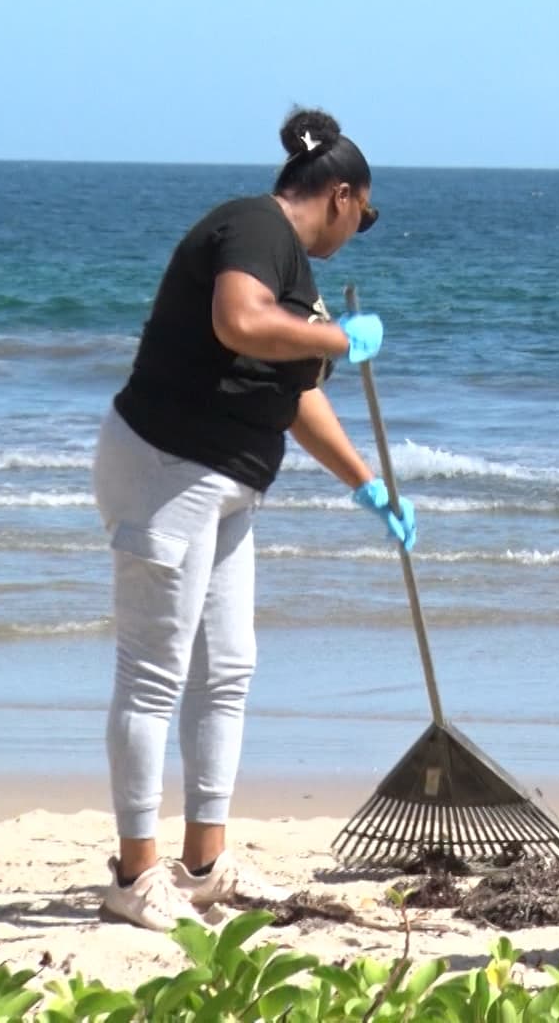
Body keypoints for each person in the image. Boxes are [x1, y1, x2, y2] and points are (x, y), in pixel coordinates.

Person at [91, 107, 416, 931]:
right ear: (339, 195)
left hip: (231, 483)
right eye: (364, 216)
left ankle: (204, 863)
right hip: (165, 469)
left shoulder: (294, 279)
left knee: (229, 666)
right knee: (154, 672)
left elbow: (295, 394)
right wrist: (340, 338)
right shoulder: (251, 227)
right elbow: (236, 322)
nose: (359, 231)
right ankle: (136, 876)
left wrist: (367, 483)